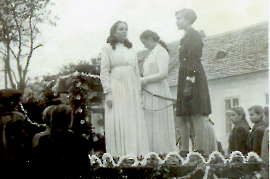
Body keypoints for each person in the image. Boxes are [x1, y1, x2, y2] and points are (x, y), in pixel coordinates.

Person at [100, 21, 149, 158]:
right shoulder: (107, 48)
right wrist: (108, 92)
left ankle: (135, 152)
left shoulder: (131, 49)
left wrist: (138, 90)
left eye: (126, 29)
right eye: (121, 29)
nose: (124, 31)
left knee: (132, 118)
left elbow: (136, 71)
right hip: (116, 85)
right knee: (119, 116)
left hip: (131, 86)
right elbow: (104, 71)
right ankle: (120, 153)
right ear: (114, 32)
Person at [174, 8, 211, 158]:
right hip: (184, 76)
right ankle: (183, 151)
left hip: (192, 77)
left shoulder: (194, 35)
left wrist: (189, 82)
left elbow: (194, 60)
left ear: (188, 20)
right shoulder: (185, 37)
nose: (177, 21)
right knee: (182, 115)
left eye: (180, 18)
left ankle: (199, 152)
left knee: (196, 114)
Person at [140, 30, 177, 154]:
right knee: (150, 120)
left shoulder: (161, 51)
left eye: (144, 42)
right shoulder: (151, 53)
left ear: (150, 38)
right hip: (149, 90)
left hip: (157, 88)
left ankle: (162, 151)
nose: (144, 46)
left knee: (158, 121)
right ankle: (151, 151)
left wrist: (144, 80)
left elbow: (163, 73)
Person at [32, 105, 90, 179]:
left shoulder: (44, 140)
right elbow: (84, 168)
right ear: (69, 120)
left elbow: (37, 167)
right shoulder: (79, 140)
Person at [0, 89, 30, 178]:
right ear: (13, 103)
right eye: (19, 102)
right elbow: (21, 143)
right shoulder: (17, 119)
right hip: (13, 162)